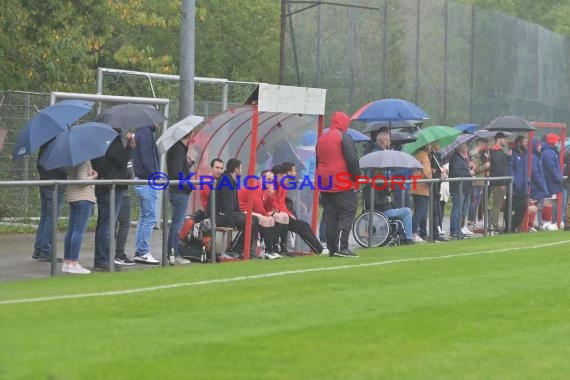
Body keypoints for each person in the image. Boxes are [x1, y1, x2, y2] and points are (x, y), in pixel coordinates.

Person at [316, 111, 360, 257]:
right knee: (347, 211)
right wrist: (356, 178)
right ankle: (343, 247)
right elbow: (352, 160)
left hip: (324, 181)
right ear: (344, 123)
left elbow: (318, 161)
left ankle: (332, 248)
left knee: (331, 216)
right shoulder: (344, 137)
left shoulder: (322, 138)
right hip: (341, 181)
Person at [92, 130, 135, 271]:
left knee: (105, 223)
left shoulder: (99, 141)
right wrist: (129, 147)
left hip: (105, 185)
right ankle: (103, 259)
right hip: (112, 187)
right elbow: (120, 160)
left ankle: (102, 258)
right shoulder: (113, 140)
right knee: (108, 224)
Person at [271, 164, 326, 256]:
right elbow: (274, 204)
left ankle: (318, 248)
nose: (296, 173)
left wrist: (289, 213)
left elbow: (281, 203)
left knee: (304, 225)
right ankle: (280, 248)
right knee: (300, 225)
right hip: (274, 215)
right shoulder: (273, 186)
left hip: (282, 214)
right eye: (294, 171)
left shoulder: (282, 186)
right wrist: (286, 213)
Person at [207, 158, 259, 256]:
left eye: (221, 168)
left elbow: (233, 204)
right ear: (236, 169)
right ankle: (233, 249)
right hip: (218, 215)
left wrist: (240, 213)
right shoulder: (226, 181)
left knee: (255, 220)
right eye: (241, 168)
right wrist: (232, 222)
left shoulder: (230, 180)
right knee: (249, 222)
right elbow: (228, 204)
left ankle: (246, 250)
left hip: (225, 214)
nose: (242, 170)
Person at [33, 139, 66, 262]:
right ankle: (46, 251)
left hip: (44, 180)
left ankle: (39, 249)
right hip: (55, 183)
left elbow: (39, 164)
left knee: (45, 216)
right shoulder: (61, 143)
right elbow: (61, 168)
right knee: (51, 218)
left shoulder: (45, 141)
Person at [62, 161, 98, 274]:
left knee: (71, 230)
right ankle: (73, 262)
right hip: (84, 197)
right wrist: (93, 176)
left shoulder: (71, 160)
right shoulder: (83, 160)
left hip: (73, 196)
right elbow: (81, 180)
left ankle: (67, 262)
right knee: (78, 231)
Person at [133, 124, 161, 265]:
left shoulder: (142, 133)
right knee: (149, 217)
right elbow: (146, 158)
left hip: (143, 179)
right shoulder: (145, 133)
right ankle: (143, 251)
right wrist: (155, 174)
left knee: (144, 217)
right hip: (147, 180)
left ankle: (140, 251)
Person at [363, 168, 414, 244]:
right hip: (381, 211)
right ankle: (408, 238)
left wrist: (388, 196)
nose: (383, 173)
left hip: (385, 209)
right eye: (381, 172)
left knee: (405, 211)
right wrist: (387, 201)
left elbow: (384, 196)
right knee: (407, 211)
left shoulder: (381, 184)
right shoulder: (369, 187)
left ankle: (405, 236)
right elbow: (373, 202)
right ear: (375, 173)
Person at [166, 132, 194, 264]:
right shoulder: (177, 150)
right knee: (177, 224)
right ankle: (174, 254)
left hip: (178, 191)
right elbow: (177, 173)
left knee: (176, 223)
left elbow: (178, 169)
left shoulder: (178, 150)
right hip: (179, 192)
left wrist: (187, 164)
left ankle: (171, 253)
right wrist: (189, 186)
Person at [238, 171, 279, 259]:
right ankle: (266, 251)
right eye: (268, 179)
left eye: (272, 180)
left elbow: (268, 208)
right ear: (261, 178)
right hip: (241, 211)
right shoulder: (255, 187)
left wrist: (271, 196)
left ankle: (271, 250)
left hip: (251, 211)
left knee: (271, 219)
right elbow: (259, 208)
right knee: (266, 219)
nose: (270, 182)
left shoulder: (264, 189)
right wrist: (266, 214)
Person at [449, 143, 474, 239]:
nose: (467, 148)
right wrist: (469, 172)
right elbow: (457, 172)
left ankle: (459, 229)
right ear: (460, 148)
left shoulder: (464, 158)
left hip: (465, 187)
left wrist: (469, 165)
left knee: (463, 211)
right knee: (457, 210)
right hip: (458, 188)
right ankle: (454, 230)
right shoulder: (456, 158)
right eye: (465, 147)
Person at [410, 144, 432, 243]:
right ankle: (413, 233)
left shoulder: (416, 155)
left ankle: (422, 233)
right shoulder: (424, 156)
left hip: (415, 186)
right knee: (420, 211)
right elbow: (427, 172)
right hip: (422, 187)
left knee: (420, 212)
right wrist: (432, 180)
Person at [489, 132, 510, 233]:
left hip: (499, 181)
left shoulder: (499, 151)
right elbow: (499, 168)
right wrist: (502, 182)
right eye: (504, 139)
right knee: (497, 205)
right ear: (498, 139)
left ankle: (493, 224)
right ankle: (495, 226)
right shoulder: (496, 151)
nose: (506, 141)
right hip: (498, 183)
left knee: (497, 205)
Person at [541, 133, 564, 225]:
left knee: (554, 201)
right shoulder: (549, 152)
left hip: (552, 180)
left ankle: (555, 220)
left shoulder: (551, 151)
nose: (558, 142)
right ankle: (553, 221)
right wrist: (559, 178)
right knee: (553, 201)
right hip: (551, 181)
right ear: (553, 141)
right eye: (557, 140)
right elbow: (552, 167)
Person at [508, 136, 529, 232]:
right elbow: (510, 168)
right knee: (510, 208)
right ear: (519, 142)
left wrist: (528, 180)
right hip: (515, 187)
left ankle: (512, 227)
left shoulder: (526, 153)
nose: (526, 143)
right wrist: (515, 181)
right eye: (524, 141)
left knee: (523, 208)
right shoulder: (513, 153)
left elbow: (526, 168)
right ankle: (509, 228)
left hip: (523, 187)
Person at [467, 138, 489, 228]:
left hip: (480, 181)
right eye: (484, 144)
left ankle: (473, 220)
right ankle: (471, 220)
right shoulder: (474, 154)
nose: (486, 146)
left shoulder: (481, 154)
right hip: (475, 182)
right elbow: (476, 169)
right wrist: (485, 166)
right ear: (480, 144)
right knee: (474, 202)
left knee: (477, 202)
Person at [429, 141, 447, 241]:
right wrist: (435, 171)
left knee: (437, 209)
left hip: (438, 184)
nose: (439, 145)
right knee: (434, 209)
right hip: (433, 184)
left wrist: (443, 171)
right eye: (437, 143)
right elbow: (432, 170)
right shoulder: (430, 155)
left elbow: (440, 167)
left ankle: (436, 231)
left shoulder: (437, 155)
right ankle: (434, 232)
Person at [529, 138, 549, 229]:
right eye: (538, 145)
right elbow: (535, 173)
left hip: (536, 186)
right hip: (535, 187)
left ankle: (534, 224)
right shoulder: (534, 158)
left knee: (537, 206)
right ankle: (531, 224)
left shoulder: (536, 157)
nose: (540, 146)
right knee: (534, 205)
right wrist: (541, 185)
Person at [114, 191, 133, 266]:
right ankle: (119, 255)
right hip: (121, 192)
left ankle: (106, 255)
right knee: (124, 224)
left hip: (105, 192)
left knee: (109, 224)